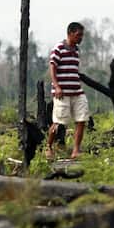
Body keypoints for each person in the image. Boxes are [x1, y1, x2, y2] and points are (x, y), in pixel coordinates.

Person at [46, 22, 90, 159]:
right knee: (58, 122)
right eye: (78, 35)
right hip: (62, 93)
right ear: (70, 33)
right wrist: (57, 86)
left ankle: (76, 150)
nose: (80, 38)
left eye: (82, 35)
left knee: (81, 119)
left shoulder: (76, 50)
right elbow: (52, 68)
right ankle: (48, 147)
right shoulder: (59, 48)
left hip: (77, 91)